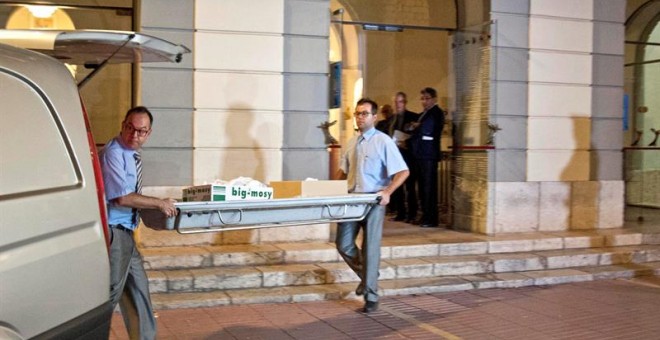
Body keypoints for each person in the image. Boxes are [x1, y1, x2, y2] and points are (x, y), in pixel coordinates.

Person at [99, 106, 177, 340]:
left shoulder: (131, 155)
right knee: (110, 294)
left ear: (149, 133)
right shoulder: (113, 153)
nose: (135, 135)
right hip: (115, 234)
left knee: (139, 290)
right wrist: (159, 203)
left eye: (141, 131)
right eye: (130, 129)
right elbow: (121, 197)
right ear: (123, 125)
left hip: (127, 233)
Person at [335, 98, 409, 313]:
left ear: (374, 117)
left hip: (373, 201)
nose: (360, 117)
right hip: (351, 200)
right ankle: (369, 276)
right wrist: (330, 191)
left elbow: (403, 171)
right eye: (358, 113)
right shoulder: (351, 142)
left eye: (365, 113)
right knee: (343, 243)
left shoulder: (383, 141)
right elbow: (342, 172)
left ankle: (371, 296)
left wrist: (387, 192)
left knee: (370, 248)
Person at [407, 87, 445, 228]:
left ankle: (431, 218)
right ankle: (424, 215)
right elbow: (412, 128)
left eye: (427, 98)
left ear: (434, 99)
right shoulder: (424, 114)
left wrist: (417, 126)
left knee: (429, 188)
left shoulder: (436, 113)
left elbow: (427, 129)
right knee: (422, 188)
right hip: (420, 155)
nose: (424, 101)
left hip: (429, 155)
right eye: (422, 98)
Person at [390, 92, 420, 222]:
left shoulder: (413, 116)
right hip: (396, 157)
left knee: (410, 187)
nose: (398, 105)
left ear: (405, 102)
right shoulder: (393, 119)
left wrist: (406, 142)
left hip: (408, 156)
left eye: (400, 102)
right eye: (396, 102)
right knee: (397, 187)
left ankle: (412, 213)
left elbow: (417, 136)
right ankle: (400, 213)